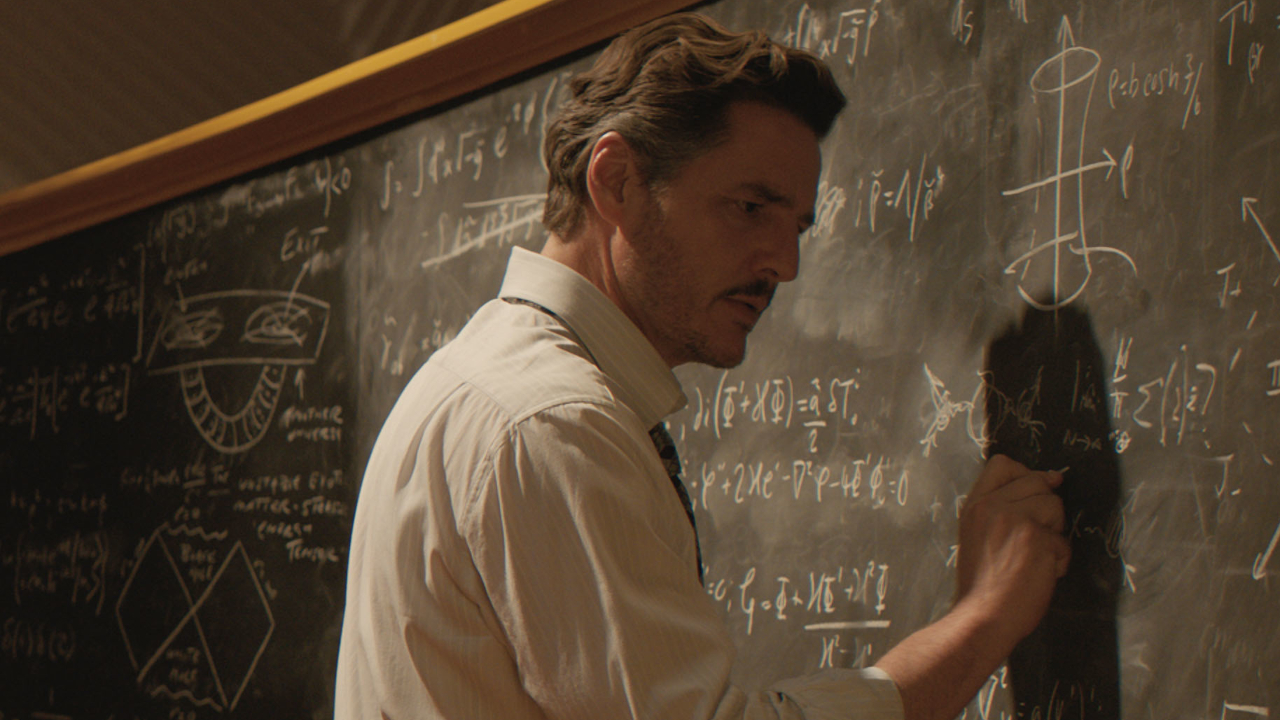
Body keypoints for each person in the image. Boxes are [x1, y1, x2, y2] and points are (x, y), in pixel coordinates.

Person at [334, 12, 1070, 720]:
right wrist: (983, 618)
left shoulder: (482, 380)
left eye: (797, 227)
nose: (784, 264)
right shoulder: (553, 421)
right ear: (617, 182)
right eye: (750, 208)